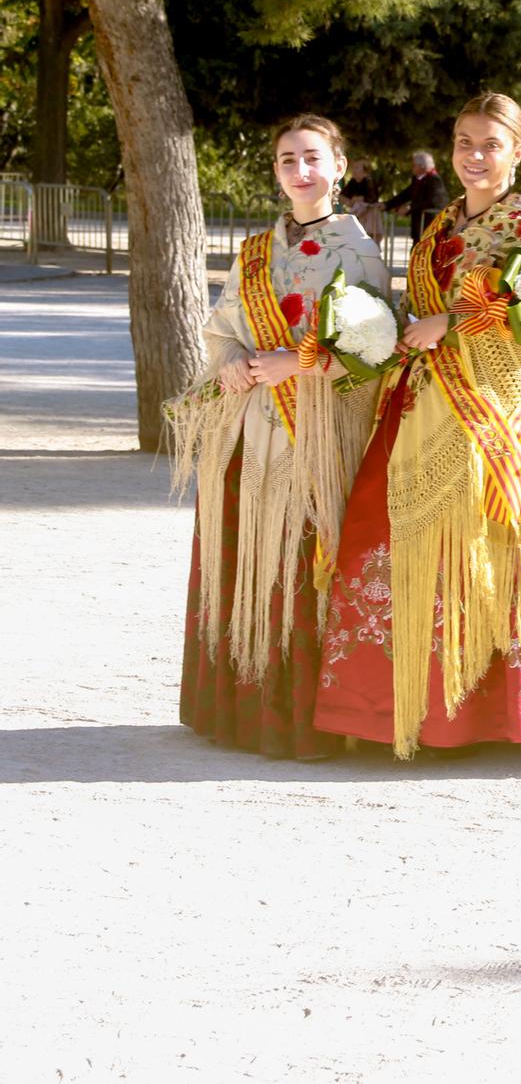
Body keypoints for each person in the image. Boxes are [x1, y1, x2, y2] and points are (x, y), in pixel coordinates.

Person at [316, 93, 521, 758]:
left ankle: (461, 715)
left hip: (483, 417)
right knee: (382, 530)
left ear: (518, 149)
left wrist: (452, 325)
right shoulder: (442, 223)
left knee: (453, 544)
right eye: (464, 141)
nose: (475, 156)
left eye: (490, 143)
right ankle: (380, 709)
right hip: (418, 398)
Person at [168, 115, 389, 759]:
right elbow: (225, 324)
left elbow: (373, 353)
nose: (301, 171)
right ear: (276, 170)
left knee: (297, 559)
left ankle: (301, 720)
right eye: (287, 160)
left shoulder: (360, 251)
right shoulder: (256, 251)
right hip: (250, 431)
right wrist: (234, 355)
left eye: (313, 158)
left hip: (313, 433)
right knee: (247, 556)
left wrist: (303, 362)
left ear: (339, 166)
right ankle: (239, 712)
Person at [386, 150, 448, 254]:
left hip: (429, 225)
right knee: (415, 252)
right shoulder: (417, 179)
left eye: (414, 165)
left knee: (426, 253)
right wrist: (386, 204)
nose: (412, 167)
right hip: (418, 225)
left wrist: (410, 207)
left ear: (422, 166)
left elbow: (432, 201)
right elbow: (406, 194)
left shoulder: (434, 180)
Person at [345, 158, 384, 243]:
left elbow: (371, 198)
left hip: (369, 214)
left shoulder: (369, 180)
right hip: (359, 213)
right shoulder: (353, 181)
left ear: (365, 170)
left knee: (369, 238)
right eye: (354, 167)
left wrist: (358, 199)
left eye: (357, 167)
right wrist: (349, 201)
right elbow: (343, 195)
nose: (354, 170)